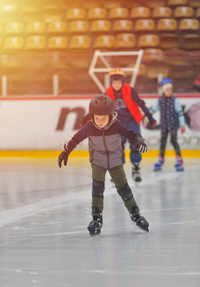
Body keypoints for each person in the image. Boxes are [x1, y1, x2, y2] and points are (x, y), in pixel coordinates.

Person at [58, 94, 149, 236]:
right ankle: (96, 219)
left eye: (103, 118)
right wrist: (66, 152)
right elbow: (76, 139)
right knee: (97, 188)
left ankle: (135, 214)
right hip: (98, 161)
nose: (100, 122)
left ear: (111, 115)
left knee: (124, 188)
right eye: (97, 118)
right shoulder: (89, 127)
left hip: (115, 162)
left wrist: (138, 139)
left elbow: (130, 133)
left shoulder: (116, 125)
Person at [106, 68, 156, 182]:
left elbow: (140, 103)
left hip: (132, 120)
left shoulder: (129, 90)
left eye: (119, 83)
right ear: (111, 83)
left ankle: (136, 168)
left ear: (123, 82)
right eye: (114, 83)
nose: (117, 85)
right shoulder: (108, 92)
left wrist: (149, 116)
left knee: (135, 144)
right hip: (118, 123)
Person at [151, 78, 186, 171]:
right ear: (163, 90)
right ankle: (160, 160)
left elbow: (180, 113)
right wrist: (147, 117)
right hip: (164, 125)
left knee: (173, 141)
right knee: (163, 142)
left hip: (173, 125)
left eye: (171, 89)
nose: (170, 91)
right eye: (167, 90)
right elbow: (153, 110)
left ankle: (179, 160)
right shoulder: (160, 100)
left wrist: (182, 125)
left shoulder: (174, 100)